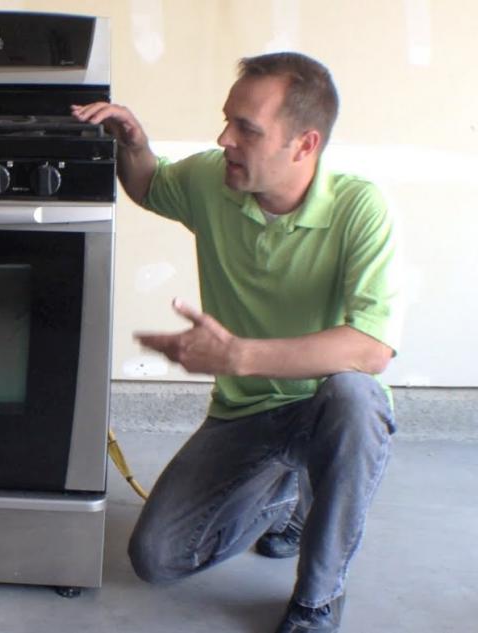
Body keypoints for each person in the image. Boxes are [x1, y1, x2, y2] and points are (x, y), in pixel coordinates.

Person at [73, 52, 400, 633]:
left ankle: (317, 599)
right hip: (244, 413)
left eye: (246, 129)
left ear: (304, 144)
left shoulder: (359, 208)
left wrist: (239, 355)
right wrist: (133, 141)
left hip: (323, 406)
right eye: (227, 121)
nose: (225, 138)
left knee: (356, 398)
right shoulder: (211, 180)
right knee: (157, 559)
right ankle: (286, 496)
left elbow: (371, 348)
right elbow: (149, 185)